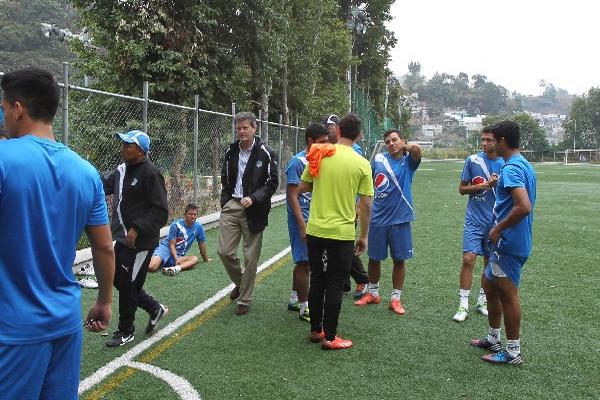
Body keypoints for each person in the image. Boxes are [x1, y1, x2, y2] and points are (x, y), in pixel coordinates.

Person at [0, 68, 114, 399]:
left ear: (18, 108)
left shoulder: (4, 159)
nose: (4, 115)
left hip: (13, 328)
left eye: (4, 107)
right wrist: (105, 301)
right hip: (64, 321)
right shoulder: (86, 171)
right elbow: (104, 248)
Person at [300, 113, 373, 350]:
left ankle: (316, 330)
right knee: (335, 282)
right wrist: (363, 236)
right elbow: (366, 205)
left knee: (318, 279)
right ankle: (330, 338)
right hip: (341, 233)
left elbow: (303, 186)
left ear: (338, 131)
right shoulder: (362, 164)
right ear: (359, 135)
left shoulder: (319, 153)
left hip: (316, 228)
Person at [471, 120, 536, 366]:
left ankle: (513, 352)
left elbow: (524, 206)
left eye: (494, 140)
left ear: (502, 142)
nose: (491, 145)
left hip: (509, 242)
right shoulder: (521, 165)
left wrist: (498, 228)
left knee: (508, 295)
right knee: (488, 284)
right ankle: (493, 338)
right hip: (507, 241)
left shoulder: (512, 169)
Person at [102, 129, 169, 347]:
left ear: (140, 150)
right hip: (123, 240)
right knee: (117, 279)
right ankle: (154, 308)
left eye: (127, 145)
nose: (123, 149)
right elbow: (101, 184)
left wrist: (137, 229)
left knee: (129, 284)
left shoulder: (151, 174)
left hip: (141, 242)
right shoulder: (121, 171)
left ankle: (125, 330)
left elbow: (160, 211)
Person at [354, 129, 421, 316]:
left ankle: (395, 298)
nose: (391, 144)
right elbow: (366, 185)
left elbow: (416, 150)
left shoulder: (409, 162)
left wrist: (403, 146)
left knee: (399, 260)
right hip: (378, 218)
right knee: (374, 258)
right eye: (388, 141)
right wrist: (358, 207)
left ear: (403, 141)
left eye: (395, 140)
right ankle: (373, 293)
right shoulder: (378, 160)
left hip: (400, 219)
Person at [218, 112, 278, 315]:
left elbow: (272, 183)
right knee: (224, 251)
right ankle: (241, 283)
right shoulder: (230, 151)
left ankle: (244, 300)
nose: (241, 131)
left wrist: (253, 198)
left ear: (254, 128)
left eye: (245, 127)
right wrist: (225, 201)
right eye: (239, 128)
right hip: (232, 205)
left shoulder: (266, 152)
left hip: (255, 208)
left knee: (250, 257)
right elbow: (225, 177)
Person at [453, 128, 505, 322]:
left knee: (489, 263)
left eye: (488, 140)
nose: (484, 143)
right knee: (468, 259)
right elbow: (461, 189)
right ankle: (463, 304)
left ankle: (482, 301)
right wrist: (484, 185)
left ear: (497, 141)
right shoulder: (472, 160)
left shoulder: (504, 163)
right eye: (482, 139)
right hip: (474, 219)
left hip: (495, 221)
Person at [321, 114, 369, 298]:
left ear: (339, 128)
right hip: (334, 206)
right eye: (326, 126)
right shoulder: (328, 149)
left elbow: (359, 184)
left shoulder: (354, 150)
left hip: (348, 207)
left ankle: (362, 279)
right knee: (338, 248)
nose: (328, 129)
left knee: (344, 248)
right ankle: (345, 283)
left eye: (331, 126)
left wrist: (357, 207)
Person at [286, 123, 329, 322]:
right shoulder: (297, 162)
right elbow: (292, 196)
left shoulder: (321, 159)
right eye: (322, 142)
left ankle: (295, 299)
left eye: (327, 142)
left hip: (317, 218)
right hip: (302, 219)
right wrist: (302, 224)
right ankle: (306, 307)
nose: (326, 145)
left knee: (307, 262)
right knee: (304, 262)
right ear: (310, 141)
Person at [148, 203, 213, 276]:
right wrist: (176, 259)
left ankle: (175, 269)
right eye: (190, 214)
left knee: (194, 259)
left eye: (195, 214)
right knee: (152, 267)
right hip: (165, 249)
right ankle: (151, 257)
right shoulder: (175, 225)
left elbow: (202, 244)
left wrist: (206, 259)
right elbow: (171, 245)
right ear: (184, 214)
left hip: (179, 255)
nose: (193, 216)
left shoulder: (198, 227)